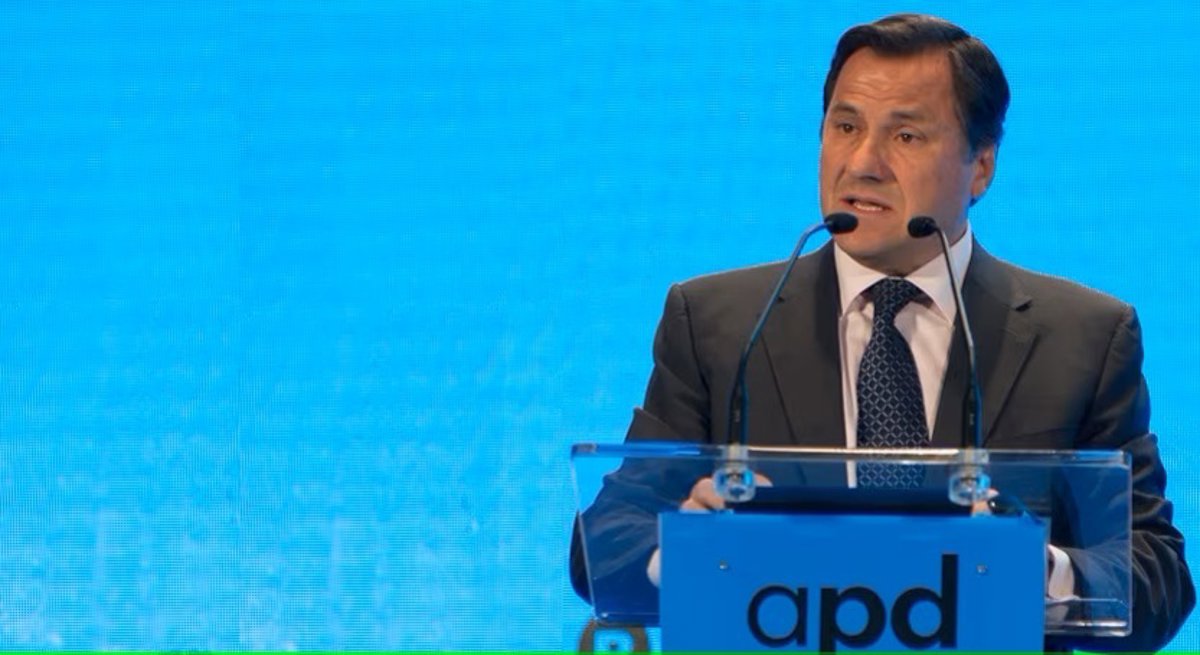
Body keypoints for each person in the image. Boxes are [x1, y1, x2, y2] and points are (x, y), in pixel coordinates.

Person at [571, 13, 1194, 651]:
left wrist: (1037, 570)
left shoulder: (1082, 338)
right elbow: (605, 542)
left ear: (981, 166)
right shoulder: (719, 325)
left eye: (906, 135)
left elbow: (1157, 577)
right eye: (845, 127)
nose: (863, 163)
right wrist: (685, 551)